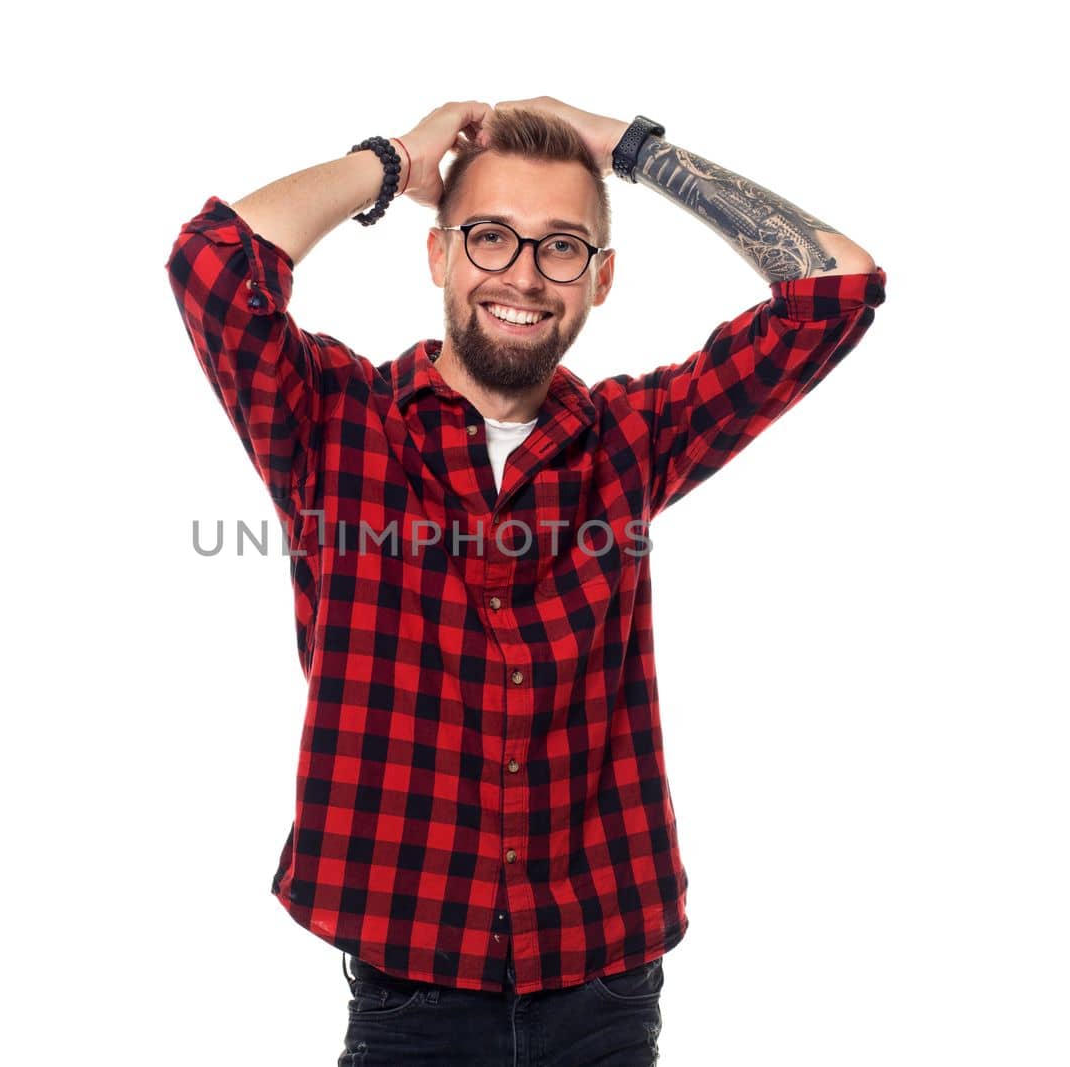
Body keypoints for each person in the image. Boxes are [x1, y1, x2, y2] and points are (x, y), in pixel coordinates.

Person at [165, 97, 885, 1065]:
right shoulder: (335, 424)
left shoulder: (631, 439)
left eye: (560, 248)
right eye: (490, 236)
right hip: (409, 998)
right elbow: (213, 264)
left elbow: (834, 290)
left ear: (600, 279)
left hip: (603, 996)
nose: (522, 275)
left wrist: (634, 153)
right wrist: (391, 163)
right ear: (437, 256)